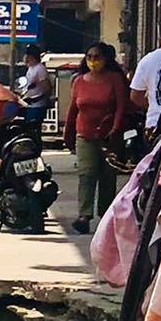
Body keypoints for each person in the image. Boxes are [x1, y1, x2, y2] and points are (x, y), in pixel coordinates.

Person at [63, 40, 129, 233]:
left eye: (97, 57)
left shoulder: (114, 79)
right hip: (85, 135)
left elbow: (121, 107)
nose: (93, 60)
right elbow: (73, 110)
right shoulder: (79, 81)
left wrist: (115, 129)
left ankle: (106, 216)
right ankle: (84, 215)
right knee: (86, 175)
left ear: (105, 59)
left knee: (108, 177)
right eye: (89, 57)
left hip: (109, 136)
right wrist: (68, 135)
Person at [130, 40, 161, 138]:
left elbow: (135, 96)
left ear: (160, 39)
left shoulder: (149, 60)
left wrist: (152, 104)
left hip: (154, 125)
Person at [16, 49, 54, 130]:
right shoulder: (31, 68)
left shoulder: (40, 69)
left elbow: (47, 88)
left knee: (33, 129)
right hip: (30, 105)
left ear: (31, 56)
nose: (24, 57)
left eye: (26, 55)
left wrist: (36, 99)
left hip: (37, 105)